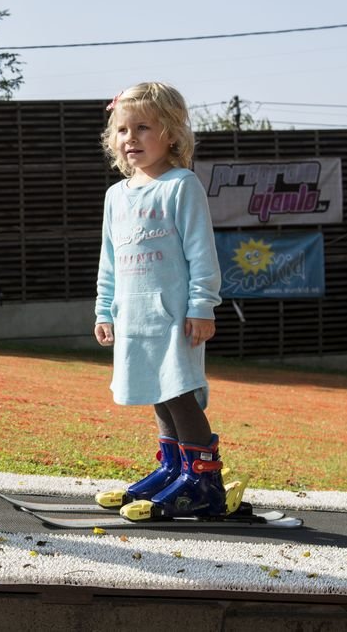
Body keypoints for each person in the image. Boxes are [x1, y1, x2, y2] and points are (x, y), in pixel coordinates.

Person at [91, 82, 238, 521]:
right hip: (133, 315)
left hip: (174, 315)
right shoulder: (117, 195)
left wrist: (201, 306)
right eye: (122, 130)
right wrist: (104, 308)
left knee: (179, 392)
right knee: (157, 392)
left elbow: (201, 252)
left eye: (142, 127)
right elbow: (109, 260)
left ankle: (203, 480)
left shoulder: (181, 185)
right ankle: (174, 468)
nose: (130, 138)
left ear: (170, 134)